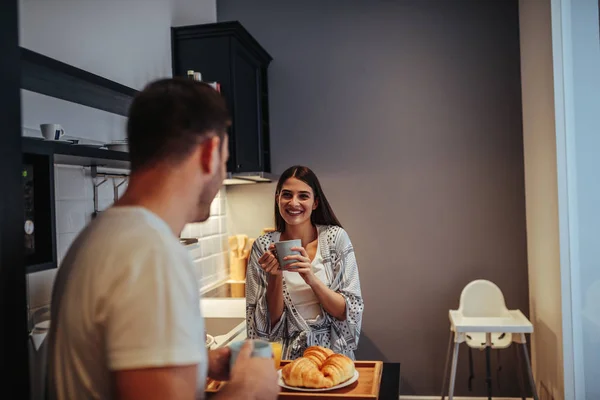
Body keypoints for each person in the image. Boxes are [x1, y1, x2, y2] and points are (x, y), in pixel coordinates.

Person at [46, 78, 279, 400]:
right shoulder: (153, 252)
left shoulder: (98, 235)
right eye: (225, 161)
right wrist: (254, 386)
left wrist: (198, 363)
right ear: (210, 152)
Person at [246, 166, 364, 360]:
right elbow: (268, 325)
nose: (294, 203)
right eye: (287, 195)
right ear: (278, 199)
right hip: (286, 359)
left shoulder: (335, 239)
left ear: (315, 202)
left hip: (331, 355)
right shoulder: (263, 246)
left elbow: (346, 311)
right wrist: (275, 276)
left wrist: (310, 277)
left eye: (303, 196)